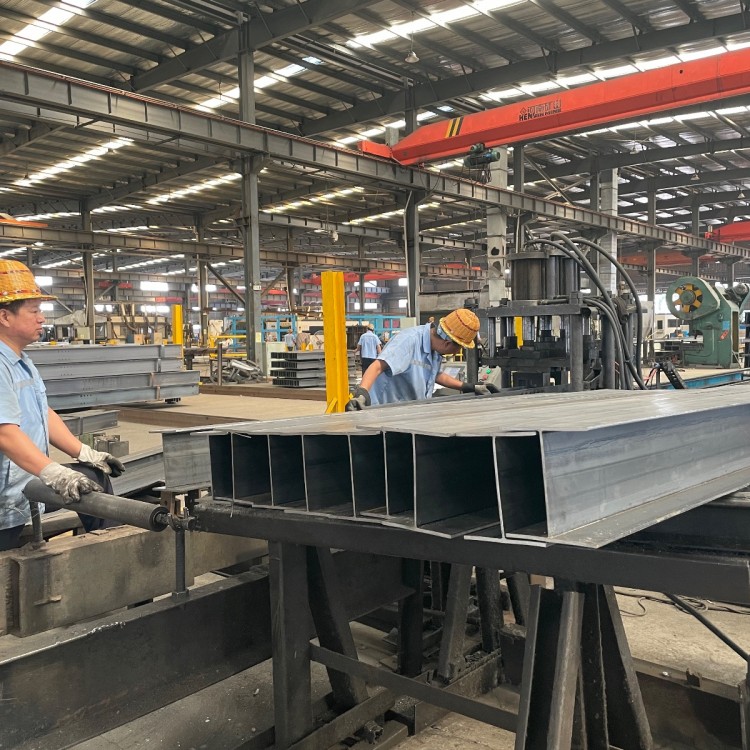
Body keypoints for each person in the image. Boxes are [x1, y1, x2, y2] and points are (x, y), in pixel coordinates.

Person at [0, 260, 125, 551]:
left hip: (23, 488)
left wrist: (84, 453)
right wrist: (54, 473)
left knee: (94, 477)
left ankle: (111, 553)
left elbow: (43, 413)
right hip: (5, 501)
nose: (42, 318)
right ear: (5, 316)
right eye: (34, 311)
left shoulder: (21, 361)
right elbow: (5, 433)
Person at [346, 309, 497, 409]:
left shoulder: (434, 348)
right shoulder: (408, 341)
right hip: (381, 410)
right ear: (447, 343)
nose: (456, 352)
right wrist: (362, 394)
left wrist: (468, 387)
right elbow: (377, 366)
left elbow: (434, 374)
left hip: (406, 412)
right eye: (458, 348)